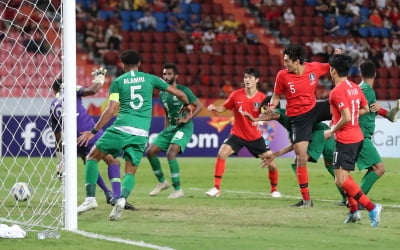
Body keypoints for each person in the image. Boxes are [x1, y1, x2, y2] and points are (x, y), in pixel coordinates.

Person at [77, 50, 192, 221]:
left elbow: (111, 109)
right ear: (139, 64)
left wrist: (93, 131)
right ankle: (122, 199)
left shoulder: (118, 82)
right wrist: (187, 106)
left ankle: (90, 198)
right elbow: (181, 94)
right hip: (141, 134)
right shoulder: (151, 78)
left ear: (122, 65)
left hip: (121, 128)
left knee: (92, 157)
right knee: (130, 171)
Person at [49, 70, 136, 213]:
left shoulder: (53, 106)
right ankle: (116, 196)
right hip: (89, 134)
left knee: (90, 163)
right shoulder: (71, 90)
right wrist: (100, 77)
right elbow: (93, 90)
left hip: (74, 141)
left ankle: (107, 194)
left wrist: (61, 161)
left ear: (54, 90)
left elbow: (58, 137)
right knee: (113, 161)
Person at [243, 97, 347, 206]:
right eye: (262, 110)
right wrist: (275, 155)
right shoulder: (289, 122)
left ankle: (308, 199)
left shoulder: (281, 113)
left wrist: (256, 119)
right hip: (322, 134)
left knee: (303, 162)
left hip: (321, 134)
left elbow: (276, 114)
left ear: (272, 107)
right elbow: (295, 145)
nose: (263, 113)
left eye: (265, 109)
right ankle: (345, 198)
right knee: (330, 167)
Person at [269, 44, 334, 207]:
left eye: (287, 61)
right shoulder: (282, 75)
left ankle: (372, 110)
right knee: (301, 157)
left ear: (297, 61)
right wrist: (272, 106)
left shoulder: (314, 68)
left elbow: (332, 65)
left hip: (314, 108)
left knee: (341, 103)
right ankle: (306, 199)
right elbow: (276, 95)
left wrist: (337, 56)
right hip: (298, 118)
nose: (284, 63)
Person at [324, 54, 382, 227]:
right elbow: (364, 108)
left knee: (342, 180)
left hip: (345, 138)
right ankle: (354, 212)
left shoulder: (336, 92)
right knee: (342, 178)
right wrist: (347, 117)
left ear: (332, 70)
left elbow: (347, 116)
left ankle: (372, 207)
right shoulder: (355, 87)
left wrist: (332, 130)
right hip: (357, 136)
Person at [205, 68, 281, 198]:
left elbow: (268, 113)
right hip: (237, 134)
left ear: (256, 80)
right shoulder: (236, 95)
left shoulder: (262, 98)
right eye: (245, 77)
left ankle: (274, 190)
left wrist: (262, 118)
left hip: (255, 136)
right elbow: (225, 106)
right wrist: (215, 108)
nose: (247, 80)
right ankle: (216, 188)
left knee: (272, 164)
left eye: (250, 77)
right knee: (222, 153)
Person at [145, 63, 203, 199]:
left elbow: (199, 106)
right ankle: (162, 182)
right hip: (171, 128)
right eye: (164, 74)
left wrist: (187, 119)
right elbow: (166, 113)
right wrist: (165, 131)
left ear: (176, 76)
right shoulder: (162, 94)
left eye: (169, 74)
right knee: (150, 152)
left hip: (185, 127)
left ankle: (178, 190)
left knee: (171, 153)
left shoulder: (184, 90)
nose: (166, 76)